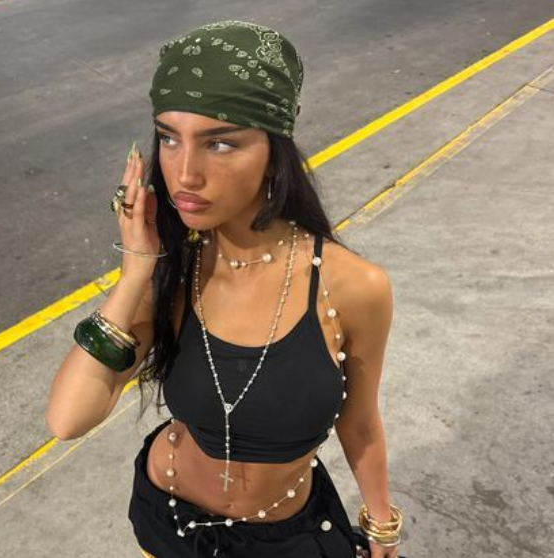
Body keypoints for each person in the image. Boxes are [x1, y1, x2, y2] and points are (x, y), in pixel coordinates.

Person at [46, 19, 405, 558]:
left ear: (274, 152)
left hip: (287, 536)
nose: (184, 173)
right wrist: (137, 270)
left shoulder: (351, 287)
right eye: (168, 137)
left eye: (219, 143)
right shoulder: (175, 272)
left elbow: (360, 422)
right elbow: (68, 419)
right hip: (167, 521)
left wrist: (380, 523)